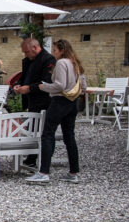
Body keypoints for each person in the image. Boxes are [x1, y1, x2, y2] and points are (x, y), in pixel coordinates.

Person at [26, 39, 85, 184]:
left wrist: (43, 87)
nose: (54, 54)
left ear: (62, 50)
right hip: (73, 103)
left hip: (59, 101)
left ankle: (43, 172)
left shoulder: (61, 63)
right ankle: (73, 172)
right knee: (69, 136)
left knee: (47, 134)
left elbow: (59, 85)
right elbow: (83, 85)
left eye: (55, 51)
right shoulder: (76, 63)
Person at [13, 38, 56, 167]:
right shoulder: (28, 61)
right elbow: (24, 76)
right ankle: (31, 158)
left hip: (44, 101)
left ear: (35, 48)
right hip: (32, 101)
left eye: (26, 52)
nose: (25, 55)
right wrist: (18, 85)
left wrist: (29, 88)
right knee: (31, 129)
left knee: (45, 131)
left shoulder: (48, 60)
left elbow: (47, 81)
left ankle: (45, 159)